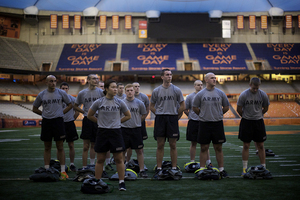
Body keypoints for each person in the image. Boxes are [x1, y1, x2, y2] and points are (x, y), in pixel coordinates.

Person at [87, 80, 131, 191]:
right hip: (102, 132)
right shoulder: (99, 102)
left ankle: (121, 182)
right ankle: (97, 181)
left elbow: (128, 115)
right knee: (100, 159)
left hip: (116, 132)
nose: (115, 89)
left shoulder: (120, 102)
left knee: (119, 159)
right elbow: (89, 115)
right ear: (106, 89)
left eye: (116, 87)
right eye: (113, 87)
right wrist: (99, 122)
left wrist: (117, 122)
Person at [32, 75, 72, 180]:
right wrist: (44, 114)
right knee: (47, 147)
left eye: (54, 81)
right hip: (46, 122)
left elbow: (70, 104)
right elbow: (34, 108)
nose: (53, 83)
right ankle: (46, 169)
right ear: (46, 82)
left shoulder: (61, 93)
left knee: (60, 146)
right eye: (51, 81)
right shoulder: (41, 94)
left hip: (58, 121)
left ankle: (63, 171)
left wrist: (61, 113)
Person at [192, 72, 230, 178]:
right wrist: (203, 115)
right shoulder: (200, 94)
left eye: (215, 78)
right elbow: (195, 107)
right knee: (204, 147)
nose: (214, 79)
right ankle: (202, 169)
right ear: (206, 80)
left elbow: (226, 106)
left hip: (217, 124)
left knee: (218, 147)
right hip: (204, 124)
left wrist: (218, 114)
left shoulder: (221, 93)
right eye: (212, 78)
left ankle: (221, 169)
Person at [150, 69, 185, 173]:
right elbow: (151, 106)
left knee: (173, 144)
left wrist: (175, 116)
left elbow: (183, 105)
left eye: (170, 74)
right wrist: (159, 113)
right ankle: (159, 167)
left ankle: (174, 167)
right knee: (160, 144)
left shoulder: (177, 90)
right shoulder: (156, 90)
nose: (169, 76)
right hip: (160, 118)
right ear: (162, 77)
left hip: (172, 118)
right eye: (167, 75)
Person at [236, 77, 270, 175]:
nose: (255, 90)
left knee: (261, 145)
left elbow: (266, 107)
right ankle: (244, 168)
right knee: (246, 145)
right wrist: (246, 117)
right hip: (246, 122)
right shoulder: (244, 94)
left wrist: (259, 114)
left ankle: (263, 167)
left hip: (258, 121)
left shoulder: (263, 94)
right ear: (250, 85)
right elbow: (239, 108)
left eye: (257, 88)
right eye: (254, 88)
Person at [74, 74, 105, 171]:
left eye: (97, 79)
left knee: (94, 145)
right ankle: (84, 167)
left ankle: (92, 165)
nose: (96, 80)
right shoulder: (82, 93)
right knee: (85, 146)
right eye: (94, 79)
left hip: (97, 120)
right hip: (87, 120)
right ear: (88, 80)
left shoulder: (101, 92)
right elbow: (75, 105)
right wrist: (84, 112)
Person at [122, 84, 148, 178]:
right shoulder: (121, 103)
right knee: (123, 151)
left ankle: (142, 170)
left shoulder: (139, 103)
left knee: (139, 150)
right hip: (124, 129)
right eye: (127, 90)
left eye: (131, 90)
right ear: (125, 92)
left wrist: (137, 122)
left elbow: (144, 114)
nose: (129, 92)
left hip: (136, 129)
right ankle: (122, 169)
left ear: (134, 91)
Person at [184, 80, 212, 166]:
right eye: (198, 85)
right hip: (193, 122)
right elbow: (185, 108)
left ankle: (208, 162)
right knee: (193, 143)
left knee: (205, 143)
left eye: (201, 85)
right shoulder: (190, 97)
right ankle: (192, 161)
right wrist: (190, 116)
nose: (200, 86)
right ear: (194, 86)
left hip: (204, 122)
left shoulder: (207, 95)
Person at [60, 82, 79, 172]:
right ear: (60, 89)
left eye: (66, 88)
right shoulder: (57, 99)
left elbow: (77, 111)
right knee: (59, 145)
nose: (64, 90)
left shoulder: (72, 99)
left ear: (68, 89)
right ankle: (60, 164)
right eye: (63, 88)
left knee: (71, 145)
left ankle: (72, 164)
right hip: (59, 123)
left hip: (69, 123)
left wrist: (72, 119)